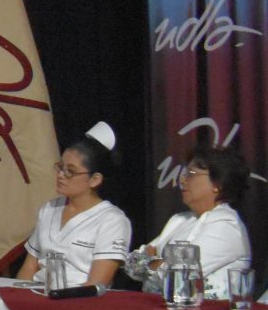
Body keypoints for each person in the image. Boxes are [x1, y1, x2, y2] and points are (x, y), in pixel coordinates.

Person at [16, 126, 132, 289]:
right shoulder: (49, 209)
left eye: (70, 171)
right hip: (36, 294)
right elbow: (29, 267)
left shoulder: (112, 220)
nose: (60, 175)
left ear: (95, 180)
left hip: (78, 299)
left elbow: (96, 285)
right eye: (60, 167)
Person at [139, 143, 254, 295]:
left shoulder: (226, 226)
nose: (182, 180)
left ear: (218, 184)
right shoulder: (180, 219)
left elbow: (177, 276)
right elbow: (133, 263)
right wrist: (157, 263)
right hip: (161, 305)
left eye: (191, 174)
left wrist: (152, 261)